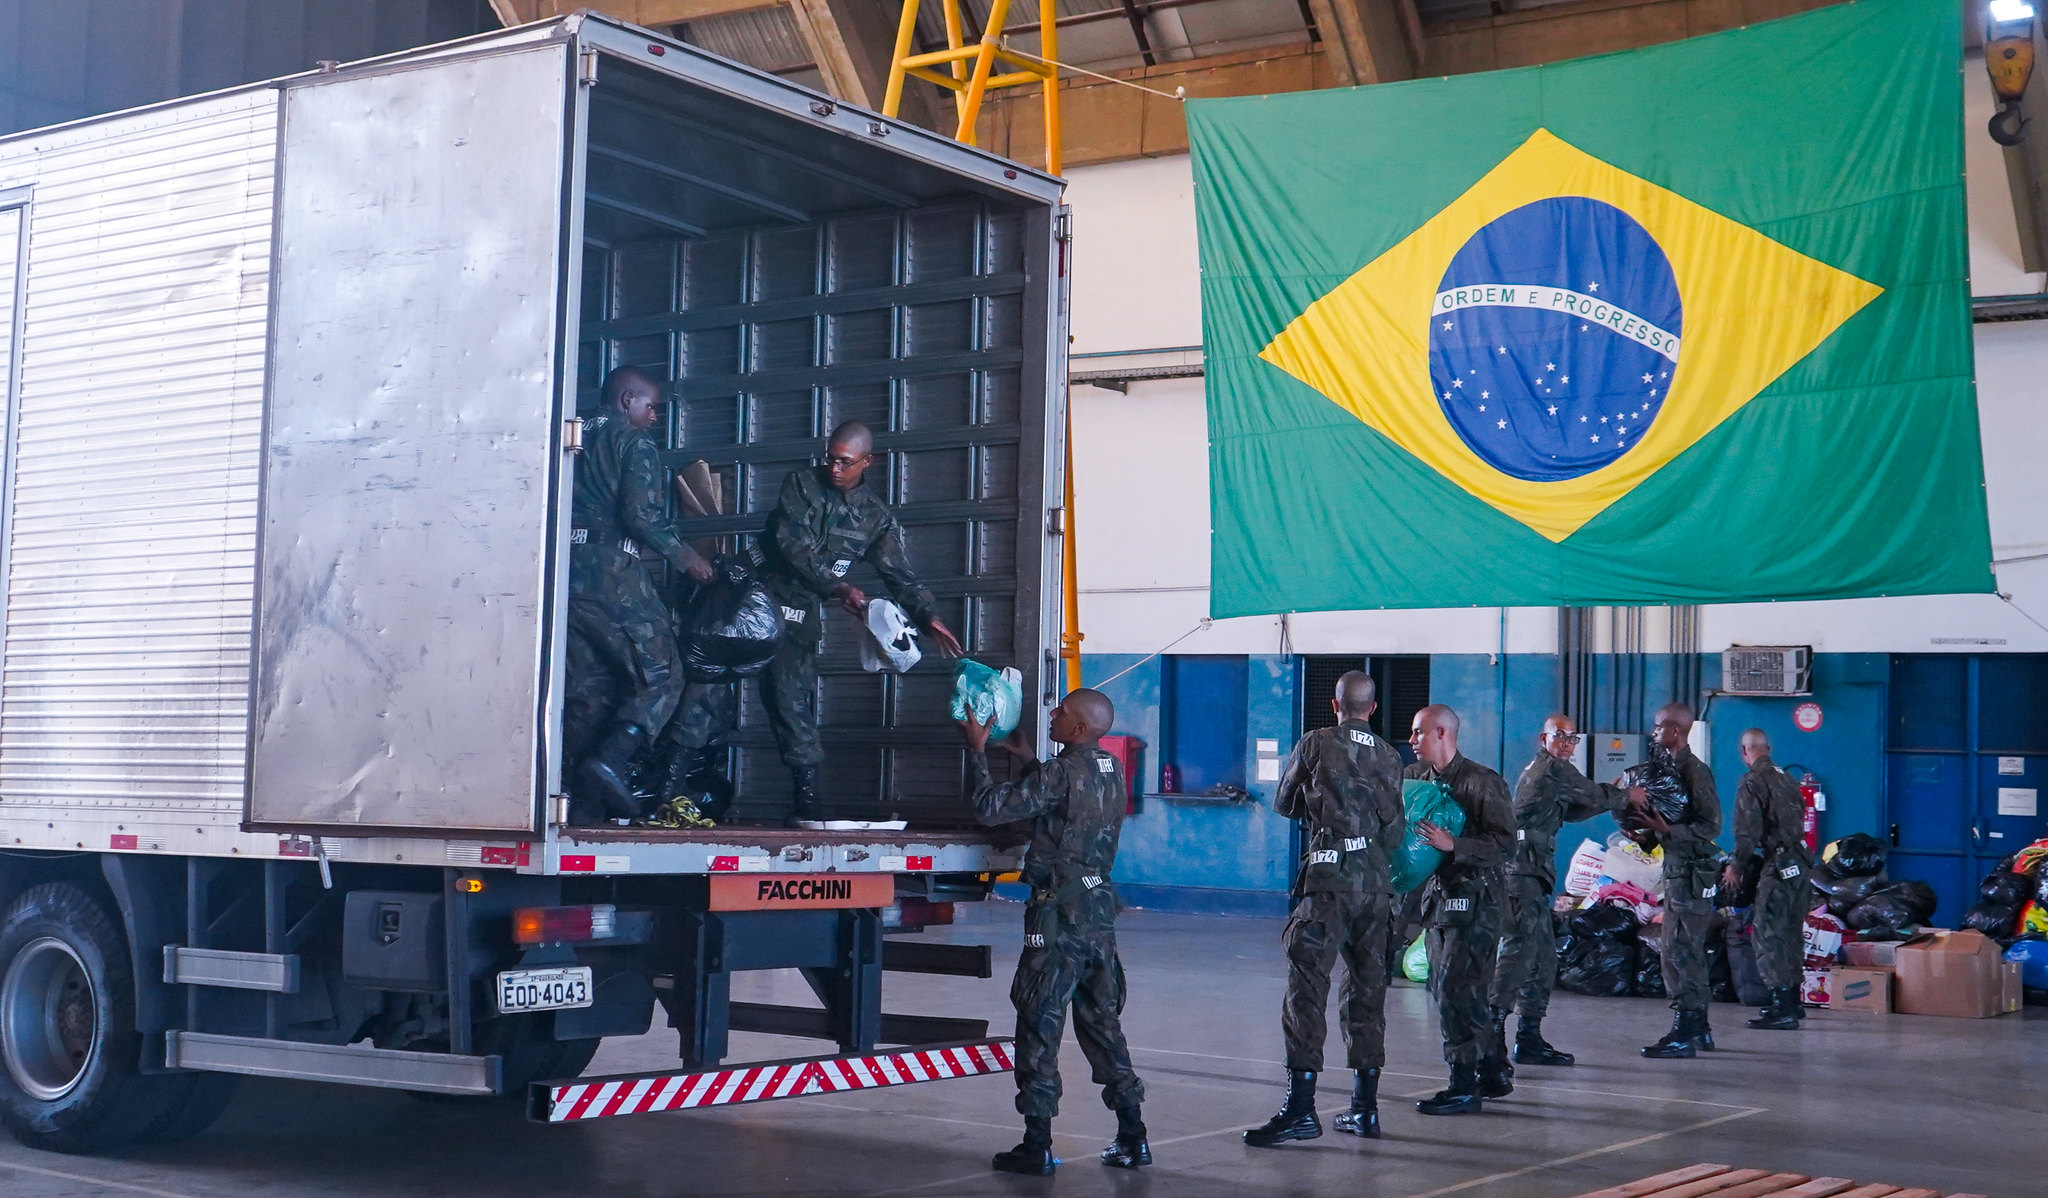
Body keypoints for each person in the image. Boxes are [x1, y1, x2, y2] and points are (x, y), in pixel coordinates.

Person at [961, 689, 1148, 1176]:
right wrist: (1025, 756)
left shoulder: (1060, 772)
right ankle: (1133, 1136)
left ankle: (1037, 1142)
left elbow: (990, 808)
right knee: (1102, 1022)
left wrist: (977, 750)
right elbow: (1063, 805)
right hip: (1098, 912)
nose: (1052, 714)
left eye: (1061, 712)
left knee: (1040, 1019)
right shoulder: (1109, 771)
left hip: (1058, 917)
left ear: (1080, 728)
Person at [760, 420, 963, 825]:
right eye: (831, 459)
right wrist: (839, 588)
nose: (835, 469)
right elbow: (792, 546)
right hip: (755, 599)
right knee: (705, 686)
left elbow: (899, 574)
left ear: (867, 461)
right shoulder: (800, 484)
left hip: (798, 615)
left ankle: (807, 801)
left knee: (790, 700)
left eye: (845, 462)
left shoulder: (875, 518)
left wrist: (928, 617)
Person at [1245, 671, 1406, 1147]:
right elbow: (1396, 832)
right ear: (1372, 709)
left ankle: (1300, 1111)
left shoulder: (1316, 743)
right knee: (1367, 992)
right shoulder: (1392, 756)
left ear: (1335, 706)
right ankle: (1365, 1109)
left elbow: (1285, 802)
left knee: (1307, 991)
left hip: (1329, 883)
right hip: (1376, 886)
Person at [564, 367, 714, 823]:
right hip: (612, 573)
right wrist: (688, 559)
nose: (653, 418)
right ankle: (609, 761)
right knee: (663, 674)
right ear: (628, 400)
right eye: (650, 407)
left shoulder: (569, 434)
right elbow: (642, 516)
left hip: (562, 574)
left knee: (589, 689)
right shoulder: (632, 443)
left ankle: (575, 800)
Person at [1491, 714, 1625, 1067]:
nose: (1567, 743)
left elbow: (1575, 809)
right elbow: (1592, 794)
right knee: (1517, 955)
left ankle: (1529, 1037)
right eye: (1560, 736)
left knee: (1543, 957)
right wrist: (1624, 795)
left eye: (1572, 738)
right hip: (1520, 874)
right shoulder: (1553, 769)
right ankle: (1490, 1038)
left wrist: (1607, 798)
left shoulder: (1551, 772)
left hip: (1533, 873)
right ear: (1544, 737)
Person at [1404, 705, 1515, 1115]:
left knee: (1457, 990)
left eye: (1418, 733)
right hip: (1439, 902)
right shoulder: (1415, 781)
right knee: (1448, 987)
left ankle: (1463, 1085)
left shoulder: (1482, 782)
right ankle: (1492, 1070)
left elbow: (1506, 845)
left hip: (1477, 904)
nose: (1412, 740)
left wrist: (1457, 846)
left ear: (1441, 733)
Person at [1629, 702, 1723, 1059]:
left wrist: (1667, 829)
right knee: (1684, 949)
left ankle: (1684, 1031)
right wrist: (1646, 836)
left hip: (1691, 873)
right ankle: (1699, 1028)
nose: (1654, 733)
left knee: (1678, 949)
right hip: (1679, 869)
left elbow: (1710, 825)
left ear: (1676, 731)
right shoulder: (1666, 769)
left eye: (1658, 727)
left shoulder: (1694, 771)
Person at [1725, 728, 1811, 1031]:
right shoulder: (1786, 778)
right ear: (1768, 748)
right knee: (1789, 931)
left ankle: (1781, 1006)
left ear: (1743, 751)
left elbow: (1746, 832)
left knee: (1766, 931)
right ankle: (1793, 1000)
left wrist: (1736, 867)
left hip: (1778, 864)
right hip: (1800, 862)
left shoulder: (1752, 781)